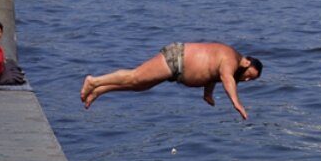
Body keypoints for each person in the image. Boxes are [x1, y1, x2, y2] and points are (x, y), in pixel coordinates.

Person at [80, 42, 263, 119]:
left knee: (140, 86)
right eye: (249, 75)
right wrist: (237, 103)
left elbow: (212, 74)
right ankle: (94, 81)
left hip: (177, 69)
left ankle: (101, 89)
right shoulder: (231, 59)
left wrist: (208, 94)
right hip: (176, 58)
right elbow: (226, 78)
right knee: (135, 76)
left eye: (250, 80)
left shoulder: (230, 65)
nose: (246, 79)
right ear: (247, 62)